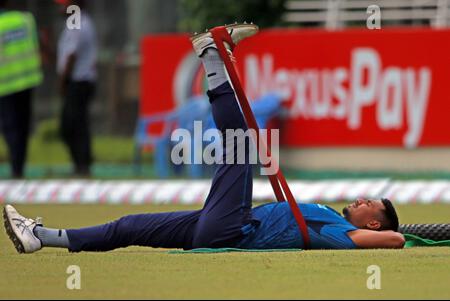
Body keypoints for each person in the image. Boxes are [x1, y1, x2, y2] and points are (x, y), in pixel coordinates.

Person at [3, 23, 405, 254]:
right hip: (221, 224)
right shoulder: (333, 220)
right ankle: (40, 237)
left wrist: (383, 233)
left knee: (238, 146)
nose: (362, 198)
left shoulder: (342, 233)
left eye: (371, 203)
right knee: (128, 226)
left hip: (230, 230)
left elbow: (396, 238)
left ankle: (211, 55)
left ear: (371, 220)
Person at [0, 0, 43, 178]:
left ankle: (16, 167)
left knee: (10, 127)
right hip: (27, 79)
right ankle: (20, 166)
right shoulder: (26, 20)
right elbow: (37, 45)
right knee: (23, 125)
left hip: (6, 83)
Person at [55, 0, 97, 177]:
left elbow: (71, 55)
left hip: (79, 81)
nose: (60, 8)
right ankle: (81, 164)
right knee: (74, 125)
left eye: (63, 4)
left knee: (73, 125)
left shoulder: (77, 24)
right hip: (78, 81)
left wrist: (63, 81)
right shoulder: (76, 23)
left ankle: (83, 166)